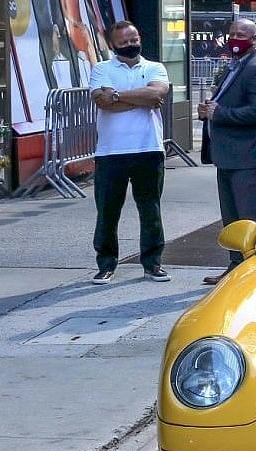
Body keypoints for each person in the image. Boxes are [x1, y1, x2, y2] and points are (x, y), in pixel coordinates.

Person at [88, 21, 170, 284]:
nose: (130, 45)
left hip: (149, 148)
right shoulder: (101, 68)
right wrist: (141, 98)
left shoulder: (155, 67)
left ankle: (152, 263)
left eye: (133, 39)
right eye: (123, 42)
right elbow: (102, 102)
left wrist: (117, 96)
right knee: (108, 211)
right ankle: (106, 263)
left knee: (150, 209)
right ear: (112, 44)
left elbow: (157, 95)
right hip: (111, 152)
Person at [198, 18, 256, 285]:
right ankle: (235, 266)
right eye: (231, 34)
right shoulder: (233, 66)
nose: (234, 38)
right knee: (232, 219)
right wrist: (208, 112)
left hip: (249, 158)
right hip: (228, 157)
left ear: (254, 40)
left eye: (241, 35)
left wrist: (220, 113)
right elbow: (221, 103)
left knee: (251, 218)